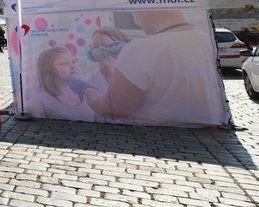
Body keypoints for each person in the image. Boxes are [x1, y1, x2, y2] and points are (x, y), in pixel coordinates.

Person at [84, 11, 225, 125]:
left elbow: (113, 110)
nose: (136, 21)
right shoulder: (205, 40)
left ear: (143, 11)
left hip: (158, 139)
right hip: (206, 133)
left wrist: (88, 92)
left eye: (134, 13)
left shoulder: (142, 49)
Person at [33, 47, 96, 121]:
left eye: (73, 61)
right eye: (63, 63)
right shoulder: (40, 98)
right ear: (48, 69)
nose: (73, 66)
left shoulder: (85, 90)